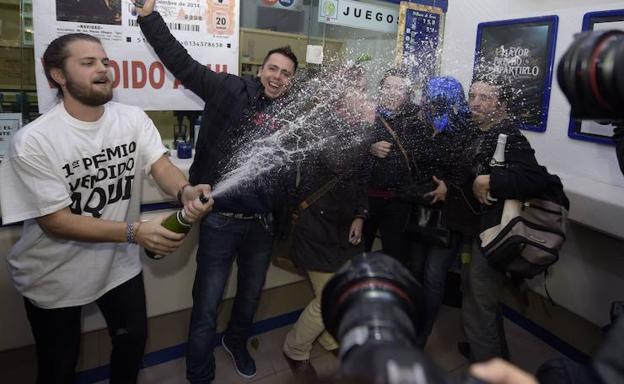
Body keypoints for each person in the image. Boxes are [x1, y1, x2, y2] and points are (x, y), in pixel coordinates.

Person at [0, 33, 213, 384]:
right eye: (87, 63)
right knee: (58, 367)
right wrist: (134, 232)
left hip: (118, 266)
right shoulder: (34, 140)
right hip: (54, 276)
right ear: (58, 75)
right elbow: (56, 221)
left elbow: (159, 166)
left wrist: (185, 190)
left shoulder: (130, 118)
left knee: (132, 345)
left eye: (105, 62)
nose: (102, 70)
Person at [134, 1, 299, 382]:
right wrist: (149, 18)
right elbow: (182, 63)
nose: (277, 77)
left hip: (260, 224)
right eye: (272, 69)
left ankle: (237, 342)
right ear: (261, 71)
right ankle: (198, 372)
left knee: (250, 296)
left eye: (286, 74)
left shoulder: (291, 115)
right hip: (219, 219)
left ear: (292, 80)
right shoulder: (228, 89)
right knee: (206, 303)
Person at [461, 75, 569, 363]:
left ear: (501, 103)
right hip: (479, 228)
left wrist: (490, 180)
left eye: (485, 97)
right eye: (473, 96)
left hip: (495, 232)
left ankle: (488, 368)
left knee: (480, 302)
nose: (476, 103)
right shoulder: (478, 130)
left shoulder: (508, 134)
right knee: (479, 299)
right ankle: (489, 355)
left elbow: (536, 178)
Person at [281, 69, 374, 380]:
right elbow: (338, 162)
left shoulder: (356, 127)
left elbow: (361, 178)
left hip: (343, 227)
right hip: (315, 226)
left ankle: (328, 337)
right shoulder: (320, 123)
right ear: (340, 93)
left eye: (363, 89)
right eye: (355, 89)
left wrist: (361, 214)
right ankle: (295, 349)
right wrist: (366, 128)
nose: (362, 95)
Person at [408, 76, 478, 347]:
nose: (435, 102)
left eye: (442, 97)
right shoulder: (420, 124)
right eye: (431, 96)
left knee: (434, 275)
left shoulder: (465, 130)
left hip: (448, 216)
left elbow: (471, 170)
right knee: (415, 269)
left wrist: (450, 185)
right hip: (420, 209)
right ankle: (412, 321)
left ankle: (421, 334)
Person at [363, 68, 419, 263]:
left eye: (399, 88)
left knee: (395, 255)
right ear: (380, 90)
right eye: (388, 87)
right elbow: (349, 147)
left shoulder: (416, 118)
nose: (392, 92)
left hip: (399, 200)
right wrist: (369, 147)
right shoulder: (367, 113)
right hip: (366, 198)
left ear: (407, 93)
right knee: (360, 250)